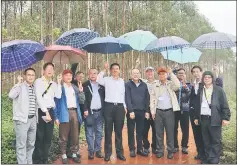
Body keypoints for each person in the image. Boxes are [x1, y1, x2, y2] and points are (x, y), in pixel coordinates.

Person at [193, 71, 231, 164]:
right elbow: (197, 105)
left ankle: (214, 160)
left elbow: (225, 105)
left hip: (215, 119)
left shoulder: (219, 90)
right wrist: (196, 117)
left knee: (215, 140)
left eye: (209, 77)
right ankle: (207, 158)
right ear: (203, 79)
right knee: (206, 140)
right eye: (205, 77)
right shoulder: (201, 90)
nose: (207, 79)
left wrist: (226, 118)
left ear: (212, 79)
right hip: (203, 119)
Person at [189, 65, 223, 161]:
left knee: (208, 136)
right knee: (197, 134)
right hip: (196, 114)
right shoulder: (193, 84)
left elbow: (218, 85)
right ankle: (201, 153)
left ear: (201, 72)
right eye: (194, 72)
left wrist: (216, 72)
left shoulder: (205, 84)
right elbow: (192, 99)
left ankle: (209, 156)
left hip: (207, 115)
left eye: (197, 71)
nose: (196, 73)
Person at [97, 62, 127, 161]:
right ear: (110, 70)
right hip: (108, 107)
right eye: (113, 68)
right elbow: (98, 79)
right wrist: (104, 69)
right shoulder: (106, 80)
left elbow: (123, 95)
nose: (115, 70)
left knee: (118, 132)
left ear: (119, 70)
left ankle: (119, 153)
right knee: (108, 131)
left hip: (119, 107)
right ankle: (108, 153)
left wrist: (125, 106)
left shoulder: (122, 81)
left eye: (117, 68)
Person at [33, 62, 62, 164]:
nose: (50, 70)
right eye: (48, 68)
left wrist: (58, 83)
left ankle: (45, 159)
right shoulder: (38, 81)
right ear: (43, 71)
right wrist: (45, 112)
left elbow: (58, 96)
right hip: (41, 111)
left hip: (51, 111)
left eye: (52, 69)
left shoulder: (53, 84)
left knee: (48, 137)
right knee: (39, 136)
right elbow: (38, 97)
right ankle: (37, 160)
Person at [150, 67, 180, 159]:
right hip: (158, 111)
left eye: (164, 74)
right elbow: (152, 98)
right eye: (160, 74)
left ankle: (170, 151)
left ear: (166, 75)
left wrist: (171, 74)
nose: (162, 75)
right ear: (158, 76)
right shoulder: (155, 85)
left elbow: (178, 86)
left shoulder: (171, 84)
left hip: (169, 112)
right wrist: (152, 111)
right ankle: (160, 150)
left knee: (170, 132)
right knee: (158, 133)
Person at [8, 68, 37, 164]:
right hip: (22, 121)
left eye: (32, 75)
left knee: (31, 144)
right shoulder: (20, 86)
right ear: (24, 76)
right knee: (21, 145)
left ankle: (29, 162)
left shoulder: (34, 87)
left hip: (33, 120)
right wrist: (18, 83)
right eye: (29, 74)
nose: (31, 76)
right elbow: (11, 95)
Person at [54, 69, 83, 164]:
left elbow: (82, 101)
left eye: (70, 75)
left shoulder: (75, 87)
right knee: (63, 136)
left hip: (74, 112)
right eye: (66, 75)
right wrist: (56, 117)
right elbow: (56, 102)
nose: (68, 77)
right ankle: (64, 155)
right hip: (64, 113)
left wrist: (81, 92)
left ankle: (74, 154)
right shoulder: (60, 88)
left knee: (75, 135)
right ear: (63, 77)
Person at [125, 69, 150, 157]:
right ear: (131, 75)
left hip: (142, 111)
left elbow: (147, 99)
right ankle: (132, 149)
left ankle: (140, 149)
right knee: (131, 131)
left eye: (137, 73)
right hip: (131, 112)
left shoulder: (144, 85)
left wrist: (147, 111)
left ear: (140, 74)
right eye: (134, 73)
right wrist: (130, 110)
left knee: (140, 131)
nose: (136, 75)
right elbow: (127, 98)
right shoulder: (127, 84)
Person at [83, 68, 105, 160]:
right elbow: (83, 98)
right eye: (91, 73)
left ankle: (98, 150)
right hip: (89, 113)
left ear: (97, 75)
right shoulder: (85, 85)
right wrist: (85, 109)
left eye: (95, 73)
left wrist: (104, 69)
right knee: (89, 133)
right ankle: (91, 151)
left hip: (100, 112)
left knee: (99, 132)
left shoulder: (102, 85)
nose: (93, 75)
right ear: (88, 75)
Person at [68, 64, 85, 158]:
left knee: (76, 132)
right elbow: (71, 71)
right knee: (69, 132)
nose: (80, 78)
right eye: (79, 76)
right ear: (75, 76)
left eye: (82, 76)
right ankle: (69, 151)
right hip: (71, 111)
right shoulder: (72, 83)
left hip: (79, 113)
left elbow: (83, 101)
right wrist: (75, 63)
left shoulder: (83, 84)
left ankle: (75, 150)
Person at [173, 68, 192, 154]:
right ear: (176, 75)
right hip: (174, 109)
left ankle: (184, 146)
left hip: (185, 109)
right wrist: (173, 71)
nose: (181, 75)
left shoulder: (189, 85)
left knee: (185, 129)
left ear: (185, 75)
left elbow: (190, 96)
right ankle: (175, 146)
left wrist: (186, 89)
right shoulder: (173, 84)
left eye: (182, 73)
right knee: (174, 129)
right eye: (179, 73)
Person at [142, 67, 158, 155]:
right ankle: (146, 146)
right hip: (146, 109)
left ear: (153, 73)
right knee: (144, 130)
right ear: (145, 73)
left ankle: (155, 147)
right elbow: (133, 76)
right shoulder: (143, 83)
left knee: (156, 130)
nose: (149, 73)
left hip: (156, 110)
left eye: (151, 72)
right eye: (147, 72)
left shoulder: (158, 82)